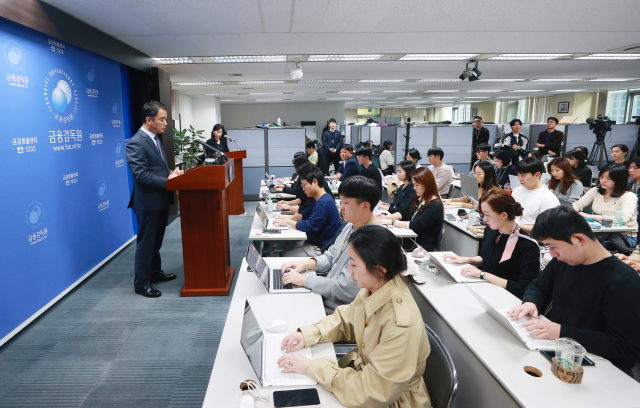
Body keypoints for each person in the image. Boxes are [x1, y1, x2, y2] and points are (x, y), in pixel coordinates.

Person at [278, 225, 432, 408]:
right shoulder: (375, 287)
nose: (349, 270)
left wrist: (313, 368)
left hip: (392, 401)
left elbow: (371, 392)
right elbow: (347, 319)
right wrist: (310, 333)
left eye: (353, 264)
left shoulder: (399, 324)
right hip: (367, 383)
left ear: (379, 269)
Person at [509, 207, 640, 375]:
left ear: (579, 239)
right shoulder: (565, 261)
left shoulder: (623, 281)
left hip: (599, 370)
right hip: (557, 355)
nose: (552, 254)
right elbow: (539, 286)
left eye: (553, 246)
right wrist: (531, 301)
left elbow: (624, 347)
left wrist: (562, 332)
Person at [280, 176, 382, 311]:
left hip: (338, 310)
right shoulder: (352, 225)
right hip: (326, 295)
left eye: (346, 203)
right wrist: (305, 263)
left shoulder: (372, 239)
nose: (341, 207)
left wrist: (305, 280)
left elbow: (345, 289)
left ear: (365, 206)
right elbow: (330, 256)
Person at [125, 101, 183, 298]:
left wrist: (170, 173)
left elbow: (157, 167)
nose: (166, 123)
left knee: (156, 242)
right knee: (146, 244)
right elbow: (140, 174)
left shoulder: (156, 139)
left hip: (159, 200)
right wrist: (167, 181)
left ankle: (154, 273)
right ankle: (141, 283)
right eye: (162, 119)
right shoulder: (136, 142)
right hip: (147, 202)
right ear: (149, 120)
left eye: (166, 119)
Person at [445, 188, 540, 299]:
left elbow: (523, 288)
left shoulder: (528, 246)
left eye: (487, 215)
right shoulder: (491, 230)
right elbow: (487, 258)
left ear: (504, 215)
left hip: (507, 298)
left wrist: (482, 274)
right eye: (483, 214)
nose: (484, 219)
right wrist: (465, 259)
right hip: (485, 289)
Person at [274, 166, 342, 257]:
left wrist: (287, 221)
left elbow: (309, 227)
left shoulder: (324, 203)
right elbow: (306, 213)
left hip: (320, 247)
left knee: (285, 255)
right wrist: (289, 217)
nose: (303, 189)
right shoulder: (319, 198)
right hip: (314, 240)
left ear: (314, 182)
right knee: (285, 246)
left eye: (304, 185)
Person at [572, 163, 637, 253]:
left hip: (622, 237)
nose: (603, 181)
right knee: (571, 242)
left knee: (584, 247)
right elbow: (579, 204)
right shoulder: (596, 191)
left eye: (609, 179)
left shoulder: (628, 196)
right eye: (601, 177)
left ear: (619, 180)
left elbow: (624, 219)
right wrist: (572, 209)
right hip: (599, 233)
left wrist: (593, 217)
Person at [379, 167, 444, 252]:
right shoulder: (419, 198)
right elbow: (403, 213)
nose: (414, 188)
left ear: (427, 184)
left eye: (417, 185)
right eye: (413, 184)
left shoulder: (434, 205)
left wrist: (392, 222)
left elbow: (415, 225)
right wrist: (385, 217)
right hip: (412, 240)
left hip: (420, 246)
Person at [511, 157, 560, 234]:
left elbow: (547, 228)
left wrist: (515, 225)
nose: (520, 179)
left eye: (523, 175)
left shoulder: (549, 199)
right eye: (518, 175)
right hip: (512, 233)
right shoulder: (516, 191)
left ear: (537, 175)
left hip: (532, 238)